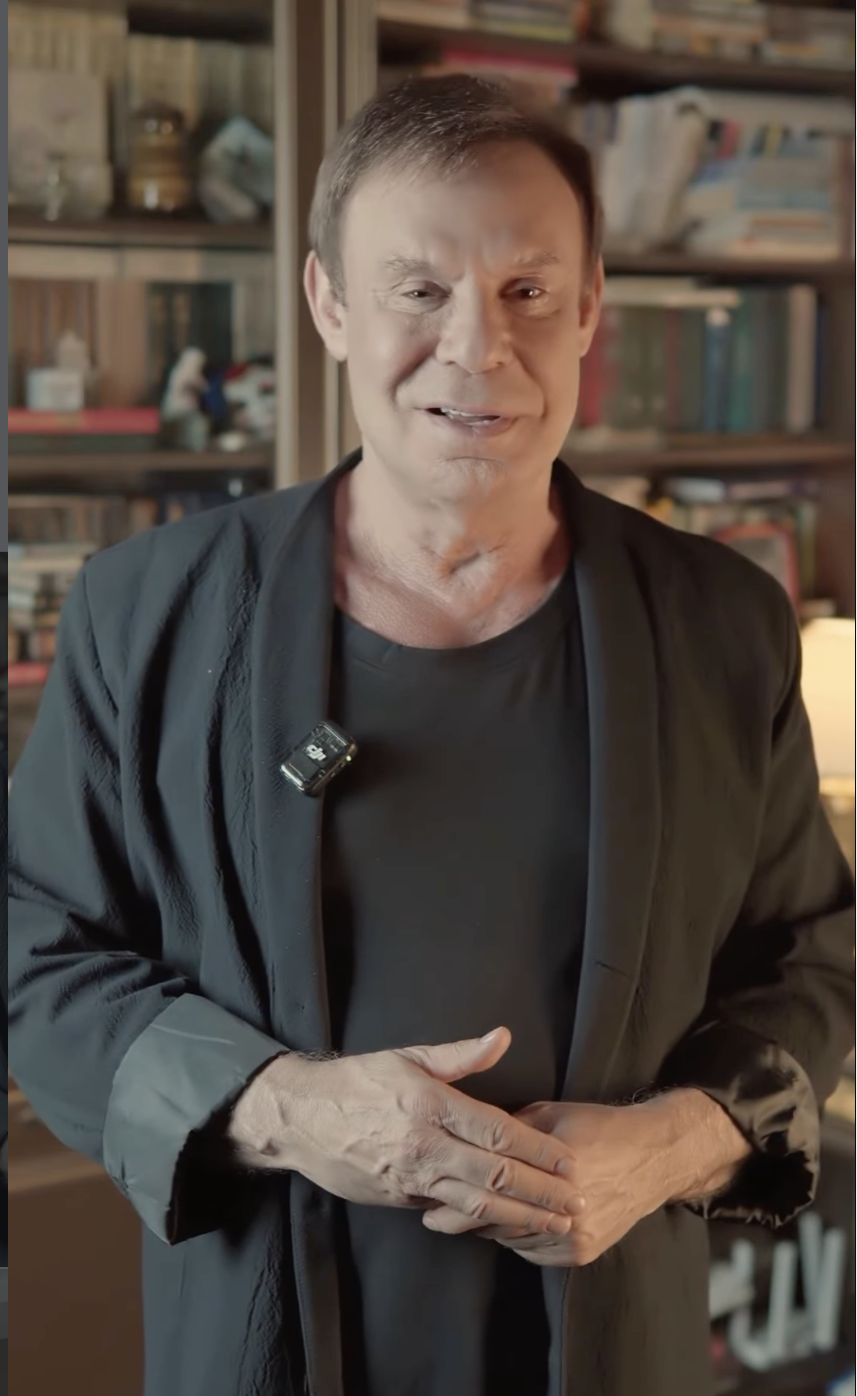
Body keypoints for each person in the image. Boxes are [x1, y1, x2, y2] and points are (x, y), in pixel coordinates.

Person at [7, 76, 854, 1396]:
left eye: (528, 291)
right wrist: (287, 1111)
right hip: (263, 1334)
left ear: (590, 310)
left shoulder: (723, 621)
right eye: (419, 289)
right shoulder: (148, 612)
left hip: (611, 1337)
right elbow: (34, 952)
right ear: (329, 304)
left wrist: (678, 1142)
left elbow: (813, 957)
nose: (478, 346)